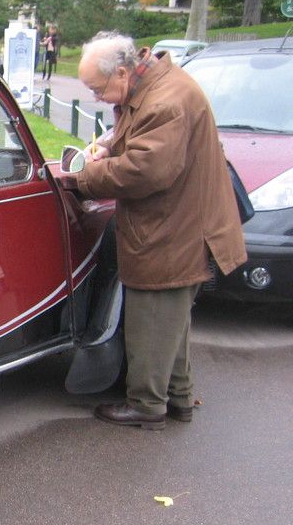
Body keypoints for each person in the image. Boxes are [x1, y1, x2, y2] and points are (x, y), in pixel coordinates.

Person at [62, 31, 246, 430]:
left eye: (97, 88)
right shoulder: (154, 86)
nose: (96, 97)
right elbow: (141, 139)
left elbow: (146, 170)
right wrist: (109, 145)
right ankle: (178, 398)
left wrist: (86, 177)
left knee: (151, 318)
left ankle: (146, 405)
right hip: (179, 225)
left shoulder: (165, 101)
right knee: (171, 322)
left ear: (124, 72)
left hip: (173, 231)